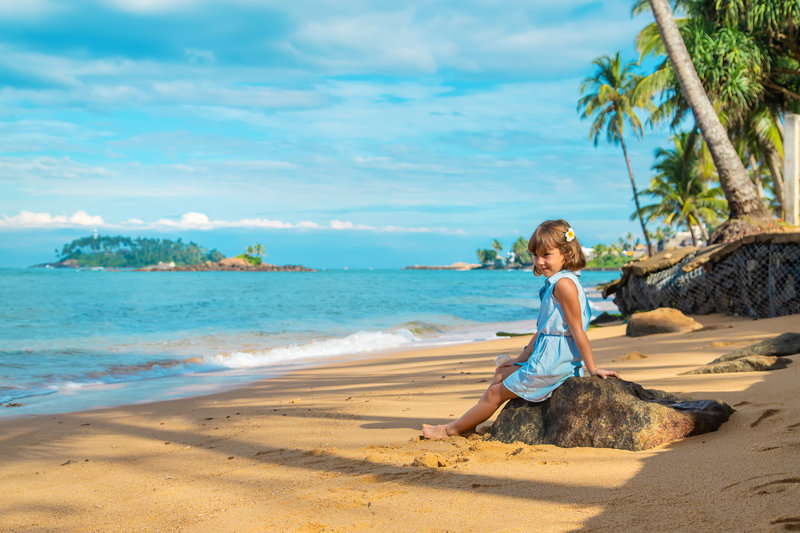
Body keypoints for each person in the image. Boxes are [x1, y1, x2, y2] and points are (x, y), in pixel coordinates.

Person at [422, 219, 620, 439]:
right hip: (546, 357)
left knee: (496, 394)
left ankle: (450, 430)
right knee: (500, 374)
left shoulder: (564, 285)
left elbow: (577, 330)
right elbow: (544, 330)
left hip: (553, 364)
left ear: (565, 253)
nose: (540, 261)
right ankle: (468, 424)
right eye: (536, 255)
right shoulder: (556, 283)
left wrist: (592, 369)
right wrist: (520, 358)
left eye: (546, 255)